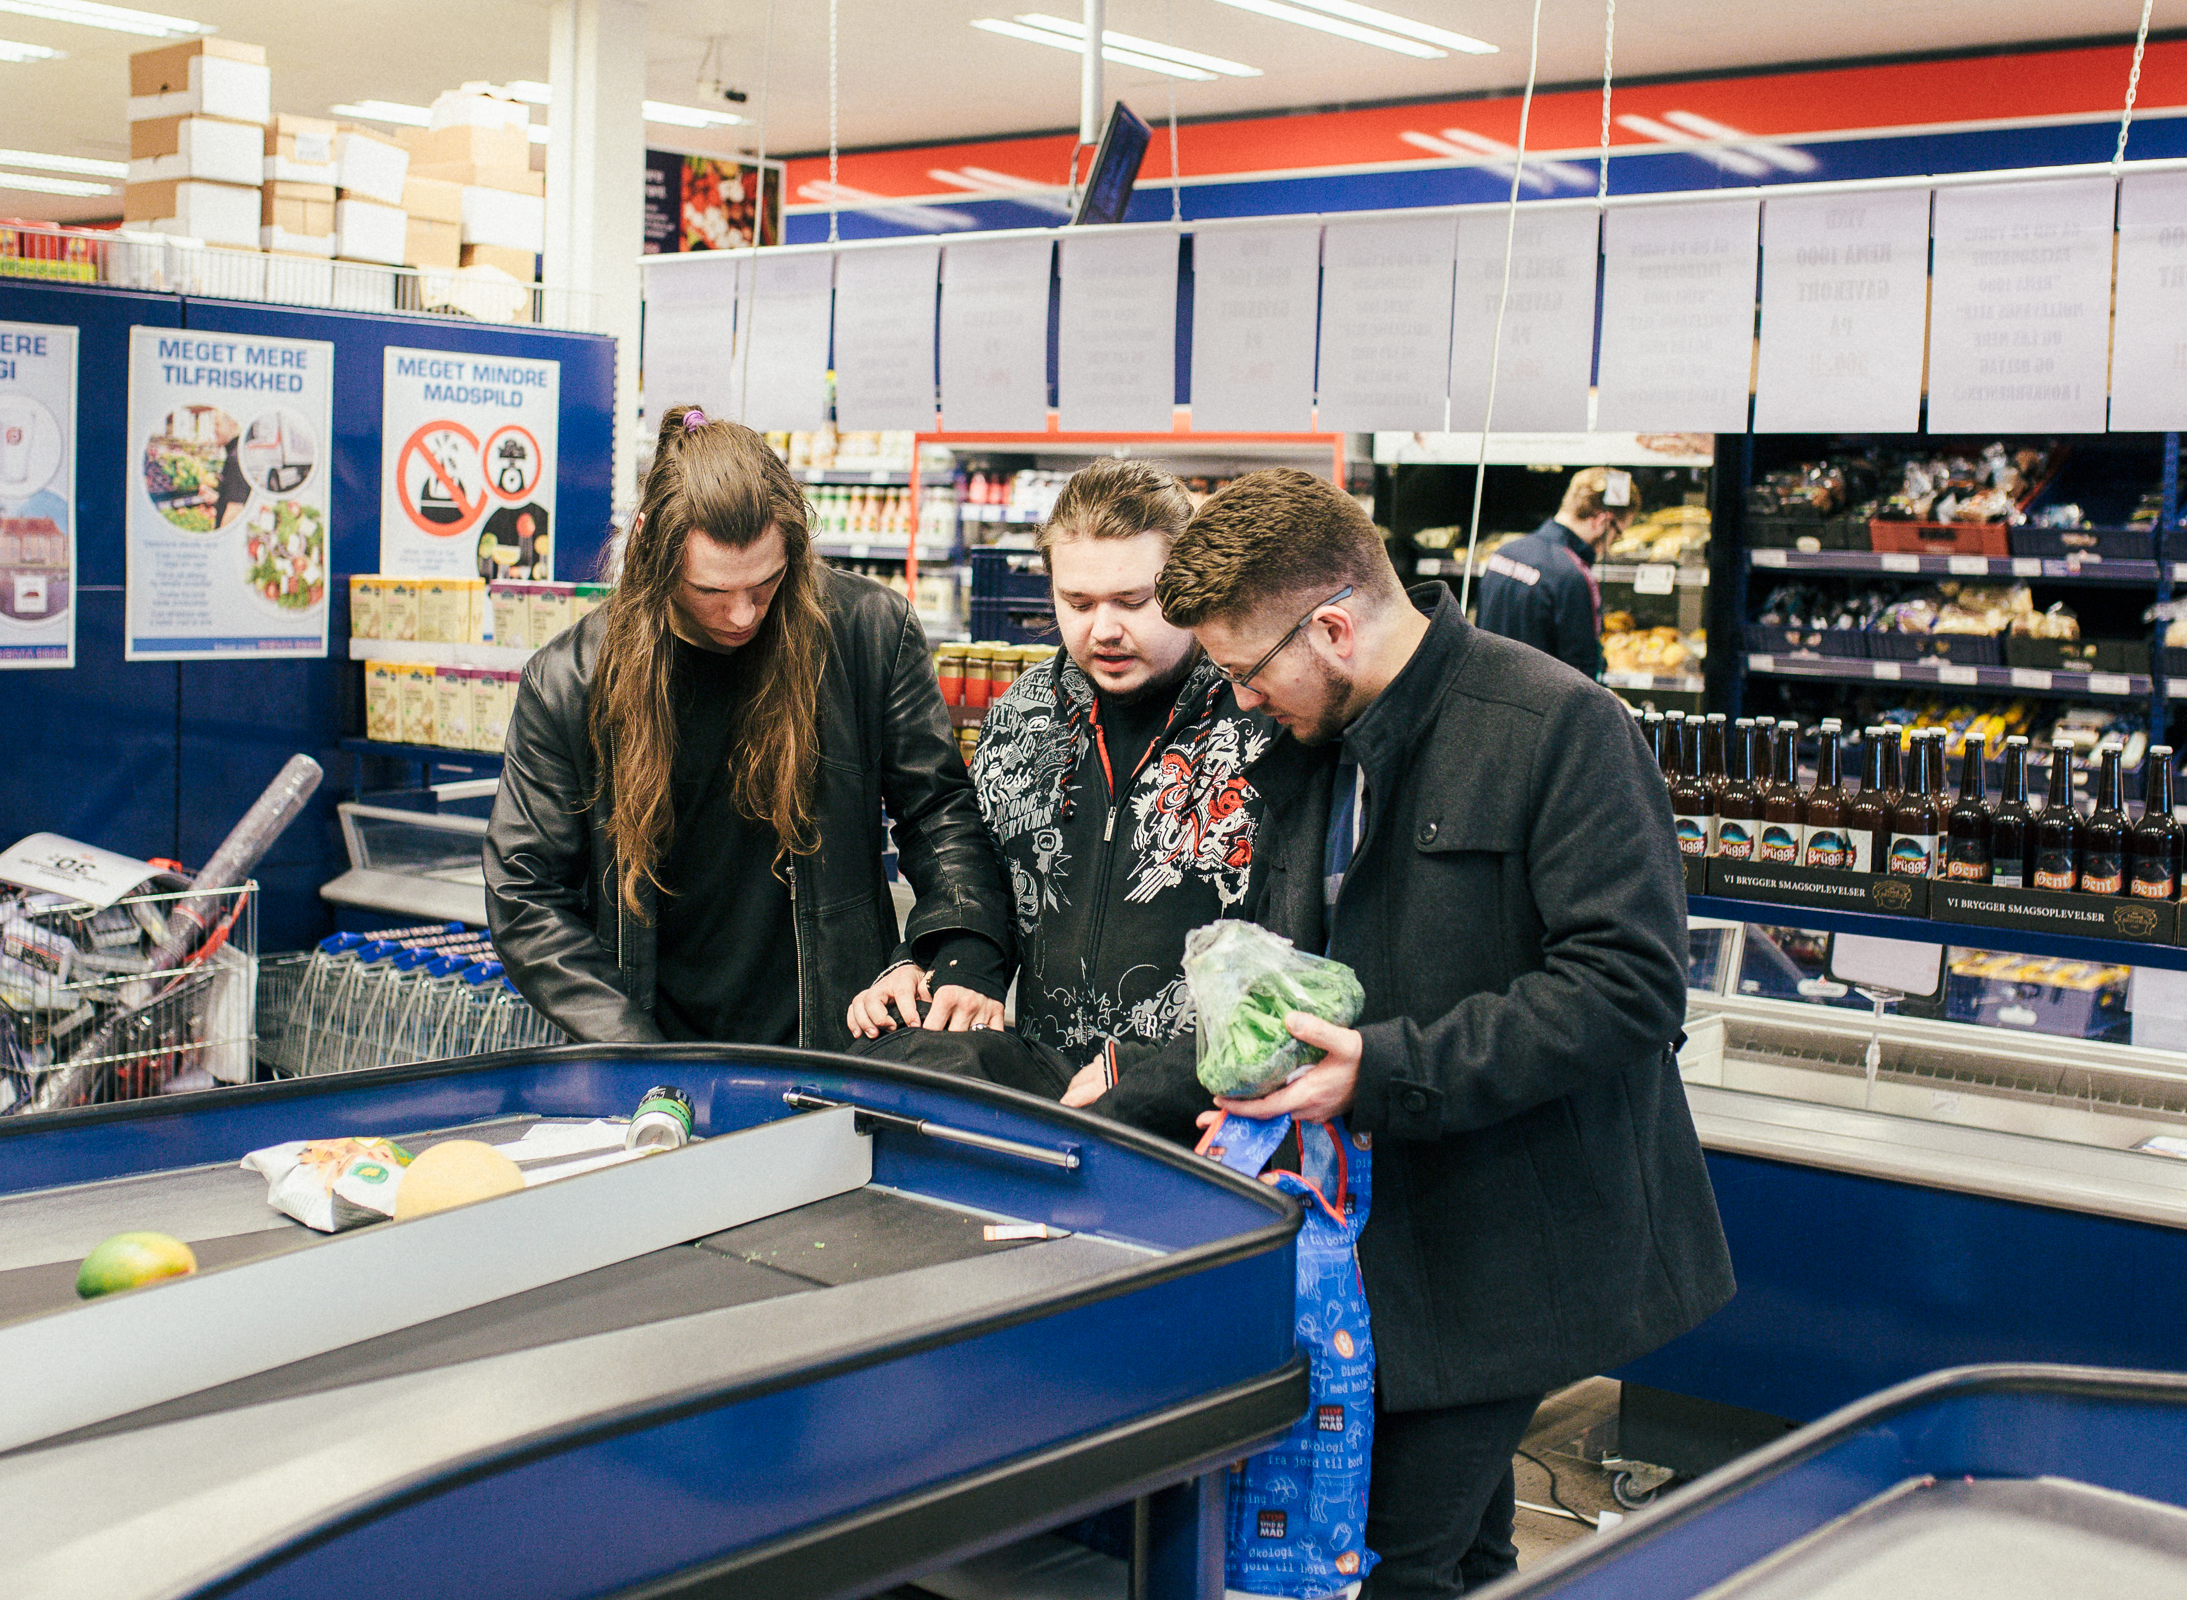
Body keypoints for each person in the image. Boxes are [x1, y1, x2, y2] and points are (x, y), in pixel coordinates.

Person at [1126, 467, 1734, 1599]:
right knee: (1467, 1553)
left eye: (1248, 672)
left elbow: (1631, 984)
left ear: (1335, 626)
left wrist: (1385, 1070)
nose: (1242, 701)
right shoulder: (1309, 750)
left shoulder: (1559, 728)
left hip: (1513, 1243)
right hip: (1376, 1248)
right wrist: (1133, 1090)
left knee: (1387, 1553)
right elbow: (1290, 975)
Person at [483, 404, 1013, 1050]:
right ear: (650, 548)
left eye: (766, 584)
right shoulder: (571, 679)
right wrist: (634, 1051)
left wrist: (959, 948)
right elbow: (526, 893)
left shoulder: (866, 631)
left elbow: (938, 813)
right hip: (648, 1044)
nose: (741, 615)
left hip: (834, 1039)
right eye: (711, 591)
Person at [845, 459, 1326, 1098]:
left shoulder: (1265, 714)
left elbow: (1302, 954)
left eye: (1133, 601)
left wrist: (1156, 1070)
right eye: (1077, 602)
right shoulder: (1022, 717)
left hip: (1205, 1100)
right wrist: (933, 967)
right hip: (1052, 1092)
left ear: (1186, 585)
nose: (1103, 630)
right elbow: (984, 882)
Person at [1472, 466, 1642, 681]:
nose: (1611, 546)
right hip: (1537, 707)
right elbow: (1582, 673)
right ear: (1603, 522)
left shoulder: (1504, 553)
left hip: (1487, 696)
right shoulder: (1572, 576)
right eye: (1617, 535)